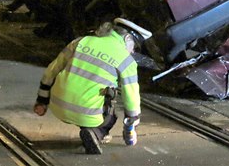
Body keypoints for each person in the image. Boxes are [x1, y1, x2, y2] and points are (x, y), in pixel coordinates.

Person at [33, 18, 152, 155]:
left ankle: (86, 125)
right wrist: (130, 128)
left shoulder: (81, 41)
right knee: (111, 109)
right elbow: (131, 99)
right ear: (127, 39)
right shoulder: (127, 61)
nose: (133, 51)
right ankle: (97, 132)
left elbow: (51, 71)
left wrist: (41, 101)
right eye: (134, 47)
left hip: (57, 105)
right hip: (87, 114)